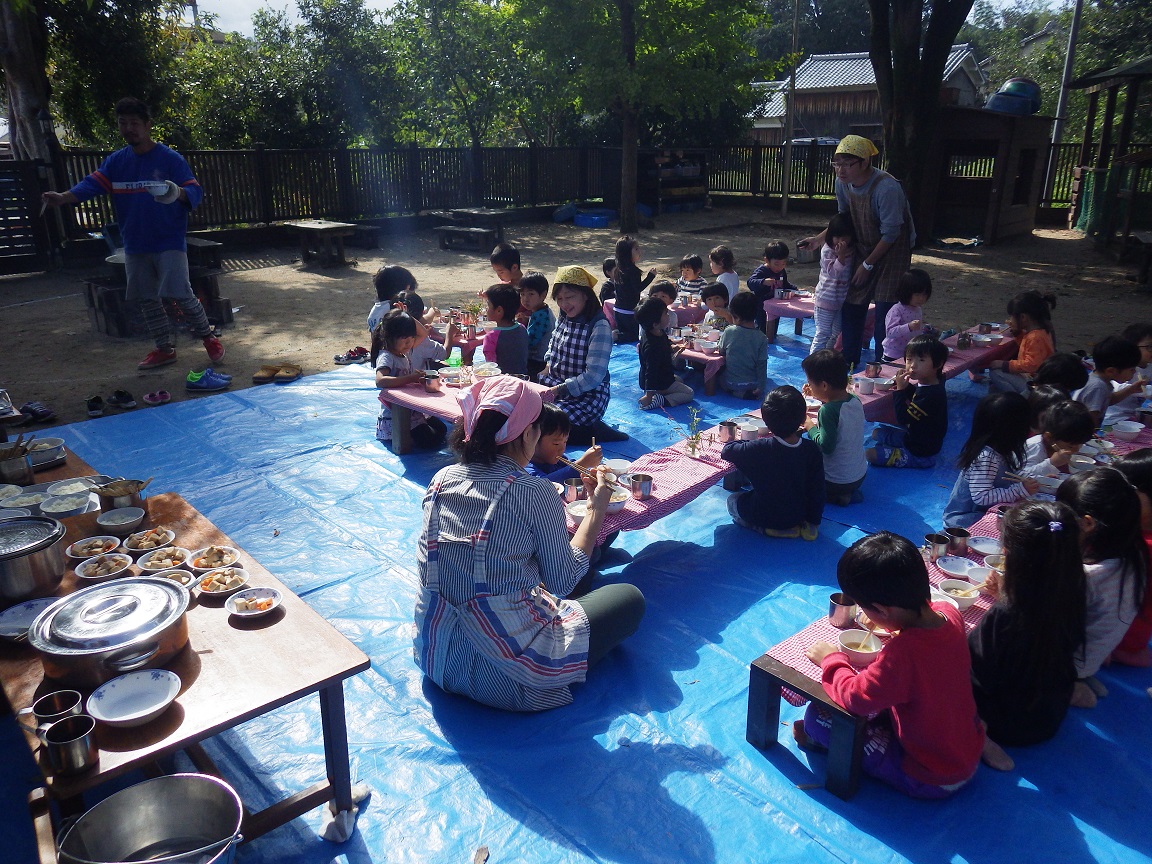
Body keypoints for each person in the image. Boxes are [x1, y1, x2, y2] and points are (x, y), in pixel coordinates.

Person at [412, 375, 645, 711]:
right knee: (628, 598)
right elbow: (564, 581)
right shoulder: (532, 491)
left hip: (436, 656)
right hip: (508, 680)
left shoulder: (441, 479)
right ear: (527, 434)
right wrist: (597, 508)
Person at [41, 97, 223, 372]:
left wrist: (178, 192)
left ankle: (208, 337)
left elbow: (195, 192)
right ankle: (164, 349)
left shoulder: (170, 159)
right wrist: (63, 197)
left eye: (134, 123)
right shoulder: (116, 162)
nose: (129, 129)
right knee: (146, 296)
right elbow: (92, 184)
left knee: (180, 292)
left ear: (148, 125)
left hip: (168, 239)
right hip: (135, 241)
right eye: (123, 123)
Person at [799, 532, 984, 799]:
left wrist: (832, 660)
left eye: (866, 608)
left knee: (817, 719)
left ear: (882, 610)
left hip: (934, 776)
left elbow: (855, 697)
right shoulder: (950, 614)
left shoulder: (903, 653)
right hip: (965, 748)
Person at [968, 501, 1087, 771]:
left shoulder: (1006, 614)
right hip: (1050, 715)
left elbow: (975, 671)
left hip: (1004, 723)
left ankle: (979, 736)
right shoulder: (1076, 593)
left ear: (1011, 555)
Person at [798, 135, 914, 368]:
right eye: (836, 164)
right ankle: (847, 361)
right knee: (853, 302)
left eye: (846, 164)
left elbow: (891, 234)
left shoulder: (886, 188)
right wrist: (820, 239)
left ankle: (885, 365)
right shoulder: (842, 183)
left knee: (885, 309)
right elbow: (843, 219)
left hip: (893, 251)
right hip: (861, 244)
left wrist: (868, 265)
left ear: (864, 163)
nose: (840, 170)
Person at [1056, 468, 1148, 708]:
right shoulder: (1132, 552)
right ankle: (1081, 676)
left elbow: (1042, 617)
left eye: (1062, 517)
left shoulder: (1090, 576)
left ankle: (1066, 687)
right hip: (1094, 655)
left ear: (1087, 523)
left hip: (1067, 664)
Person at [721, 385, 823, 539]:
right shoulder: (811, 449)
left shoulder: (759, 448)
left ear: (767, 424)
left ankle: (764, 529)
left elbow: (727, 450)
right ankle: (803, 527)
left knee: (732, 500)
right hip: (798, 514)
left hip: (766, 514)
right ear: (803, 418)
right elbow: (818, 490)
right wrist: (813, 520)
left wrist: (747, 442)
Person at [539, 266, 628, 444]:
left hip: (587, 396)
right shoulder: (564, 316)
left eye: (570, 297)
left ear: (586, 295)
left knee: (547, 425)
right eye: (560, 298)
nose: (564, 304)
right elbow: (552, 345)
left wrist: (558, 390)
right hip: (556, 386)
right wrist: (548, 365)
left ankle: (594, 431)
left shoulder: (599, 326)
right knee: (526, 411)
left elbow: (593, 376)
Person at [943, 392, 1039, 528]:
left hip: (981, 512)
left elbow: (1004, 480)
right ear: (1013, 428)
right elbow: (981, 496)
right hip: (964, 520)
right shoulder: (987, 458)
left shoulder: (1000, 450)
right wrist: (1019, 490)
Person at [371, 310, 452, 449]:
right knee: (431, 440)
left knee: (442, 430)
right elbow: (380, 381)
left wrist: (406, 314)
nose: (409, 342)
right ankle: (402, 438)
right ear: (389, 337)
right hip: (397, 414)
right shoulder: (387, 356)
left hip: (411, 410)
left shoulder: (403, 351)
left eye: (411, 338)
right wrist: (410, 378)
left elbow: (423, 334)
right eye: (404, 338)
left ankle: (415, 434)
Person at [867, 334, 949, 469]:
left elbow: (902, 419)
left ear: (938, 364)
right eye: (909, 360)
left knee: (870, 454)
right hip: (915, 437)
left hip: (921, 453)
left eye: (921, 360)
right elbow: (917, 396)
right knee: (876, 433)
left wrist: (899, 391)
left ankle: (912, 459)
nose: (912, 366)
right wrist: (906, 387)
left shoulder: (932, 395)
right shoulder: (932, 384)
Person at [802, 349, 867, 506]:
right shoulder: (854, 400)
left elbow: (826, 446)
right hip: (859, 475)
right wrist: (817, 393)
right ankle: (848, 492)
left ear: (824, 385)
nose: (809, 386)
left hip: (836, 481)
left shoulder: (827, 411)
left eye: (811, 383)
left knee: (801, 469)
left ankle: (836, 496)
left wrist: (809, 425)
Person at [1112, 449, 1152, 667]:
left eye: (1128, 491)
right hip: (1136, 636)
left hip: (1121, 636)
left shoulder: (1141, 547)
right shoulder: (1138, 531)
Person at [987, 291, 1057, 395]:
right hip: (1033, 377)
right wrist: (1018, 334)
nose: (1010, 320)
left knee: (995, 373)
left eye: (1012, 317)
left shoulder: (1035, 337)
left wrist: (1004, 364)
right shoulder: (1039, 331)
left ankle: (1021, 400)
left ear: (1023, 317)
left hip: (1035, 383)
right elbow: (1028, 349)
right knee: (993, 390)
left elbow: (1032, 365)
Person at [635, 297, 693, 410]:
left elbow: (665, 342)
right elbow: (651, 371)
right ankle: (660, 400)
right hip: (658, 382)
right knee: (689, 393)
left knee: (680, 380)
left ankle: (659, 393)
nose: (668, 316)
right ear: (656, 324)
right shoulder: (651, 347)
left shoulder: (656, 332)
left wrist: (673, 347)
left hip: (661, 377)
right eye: (665, 314)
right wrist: (649, 395)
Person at [809, 214, 856, 354]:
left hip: (841, 300)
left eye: (844, 237)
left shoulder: (852, 250)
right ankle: (813, 365)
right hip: (825, 300)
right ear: (830, 236)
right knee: (823, 333)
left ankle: (826, 360)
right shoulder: (828, 251)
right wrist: (840, 256)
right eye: (837, 237)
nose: (841, 241)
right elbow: (834, 273)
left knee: (836, 334)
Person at [527, 403, 602, 483]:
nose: (562, 448)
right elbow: (543, 485)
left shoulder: (560, 459)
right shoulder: (525, 469)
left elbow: (576, 466)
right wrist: (582, 464)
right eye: (556, 443)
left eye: (565, 441)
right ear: (533, 439)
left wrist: (595, 471)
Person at [1076, 336, 1141, 428]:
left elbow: (1108, 400)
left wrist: (1131, 389)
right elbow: (1091, 416)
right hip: (1079, 432)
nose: (1134, 372)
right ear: (1110, 371)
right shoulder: (1098, 387)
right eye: (1132, 369)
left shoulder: (1101, 380)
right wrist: (1095, 437)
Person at [1019, 399, 1095, 476]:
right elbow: (1020, 476)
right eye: (1071, 446)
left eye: (1081, 444)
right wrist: (1051, 463)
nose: (1077, 450)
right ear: (1049, 437)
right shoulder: (1035, 447)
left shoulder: (1070, 440)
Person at [717, 292, 768, 401]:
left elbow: (721, 351)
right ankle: (745, 393)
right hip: (753, 384)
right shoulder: (762, 338)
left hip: (731, 382)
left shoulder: (729, 331)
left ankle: (734, 392)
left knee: (717, 375)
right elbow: (762, 365)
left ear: (736, 316)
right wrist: (761, 387)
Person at [608, 236, 656, 344]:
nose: (640, 251)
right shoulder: (633, 271)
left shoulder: (618, 269)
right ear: (626, 253)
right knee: (634, 336)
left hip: (618, 309)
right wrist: (650, 276)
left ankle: (616, 334)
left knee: (624, 332)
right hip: (629, 311)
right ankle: (614, 336)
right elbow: (637, 289)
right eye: (636, 249)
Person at [882, 269, 933, 362]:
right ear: (906, 292)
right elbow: (890, 332)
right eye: (917, 295)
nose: (921, 298)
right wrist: (908, 327)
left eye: (924, 294)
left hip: (911, 353)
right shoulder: (897, 309)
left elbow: (916, 331)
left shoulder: (918, 309)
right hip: (894, 354)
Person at [746, 240, 797, 333]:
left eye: (783, 263)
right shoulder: (762, 271)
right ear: (766, 260)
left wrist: (795, 290)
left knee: (773, 330)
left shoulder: (781, 271)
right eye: (777, 264)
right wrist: (763, 281)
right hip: (761, 306)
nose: (780, 267)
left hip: (775, 305)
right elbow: (750, 282)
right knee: (762, 329)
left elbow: (785, 284)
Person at [1105, 323, 1152, 424]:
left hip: (1134, 416)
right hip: (1113, 417)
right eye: (1150, 347)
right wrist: (1145, 390)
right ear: (1132, 347)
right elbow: (1114, 389)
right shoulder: (1122, 367)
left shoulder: (1149, 367)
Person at [482, 285, 529, 376]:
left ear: (499, 311)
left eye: (488, 305)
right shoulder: (522, 328)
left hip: (503, 383)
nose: (486, 309)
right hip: (523, 379)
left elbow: (491, 367)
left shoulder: (491, 337)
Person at [518, 271, 555, 381]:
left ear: (543, 295)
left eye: (531, 294)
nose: (525, 299)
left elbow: (529, 341)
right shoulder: (542, 310)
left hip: (538, 362)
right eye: (522, 294)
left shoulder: (540, 315)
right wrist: (527, 320)